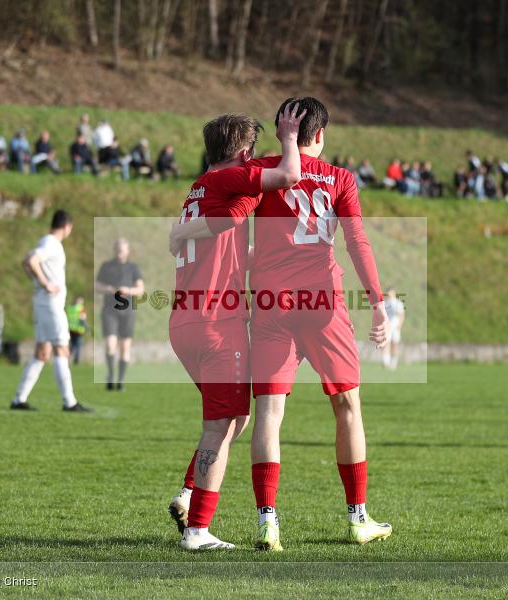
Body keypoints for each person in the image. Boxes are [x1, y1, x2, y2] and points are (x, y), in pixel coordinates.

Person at [171, 97, 392, 550]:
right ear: (323, 134)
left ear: (280, 133)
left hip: (270, 304)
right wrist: (378, 301)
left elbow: (234, 219)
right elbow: (357, 242)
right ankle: (357, 519)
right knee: (347, 408)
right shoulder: (341, 179)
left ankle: (267, 524)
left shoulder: (260, 173)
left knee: (266, 415)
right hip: (323, 302)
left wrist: (184, 231)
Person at [165, 106, 305, 551]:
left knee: (234, 418)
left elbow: (225, 219)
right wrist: (287, 138)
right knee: (219, 424)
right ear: (244, 153)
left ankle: (189, 494)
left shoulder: (198, 187)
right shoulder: (227, 179)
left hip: (187, 319)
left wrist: (235, 214)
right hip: (215, 322)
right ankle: (198, 530)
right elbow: (289, 176)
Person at [11, 210, 90, 412]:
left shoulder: (44, 241)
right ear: (67, 226)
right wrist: (45, 283)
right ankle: (69, 402)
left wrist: (37, 282)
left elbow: (26, 262)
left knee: (42, 352)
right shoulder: (51, 243)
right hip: (51, 305)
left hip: (42, 303)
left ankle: (19, 399)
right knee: (61, 349)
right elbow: (31, 261)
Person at [96, 239, 144, 391]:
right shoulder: (106, 266)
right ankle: (110, 375)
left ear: (127, 251)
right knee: (110, 344)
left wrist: (127, 290)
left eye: (122, 249)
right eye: (117, 249)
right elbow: (96, 286)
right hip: (110, 310)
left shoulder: (133, 268)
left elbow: (140, 289)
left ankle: (121, 381)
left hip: (128, 311)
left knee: (125, 347)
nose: (119, 252)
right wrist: (109, 289)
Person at [381, 287, 405, 370]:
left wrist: (399, 325)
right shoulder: (385, 303)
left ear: (394, 293)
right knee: (386, 344)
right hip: (387, 327)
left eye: (391, 293)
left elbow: (401, 315)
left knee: (395, 345)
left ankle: (394, 363)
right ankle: (386, 362)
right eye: (388, 293)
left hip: (395, 327)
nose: (389, 295)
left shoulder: (398, 303)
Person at [66, 296, 87, 365]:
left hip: (70, 329)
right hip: (78, 330)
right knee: (78, 346)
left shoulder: (69, 308)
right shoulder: (81, 309)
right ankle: (76, 361)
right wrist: (86, 328)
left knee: (71, 346)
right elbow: (83, 319)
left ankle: (68, 358)